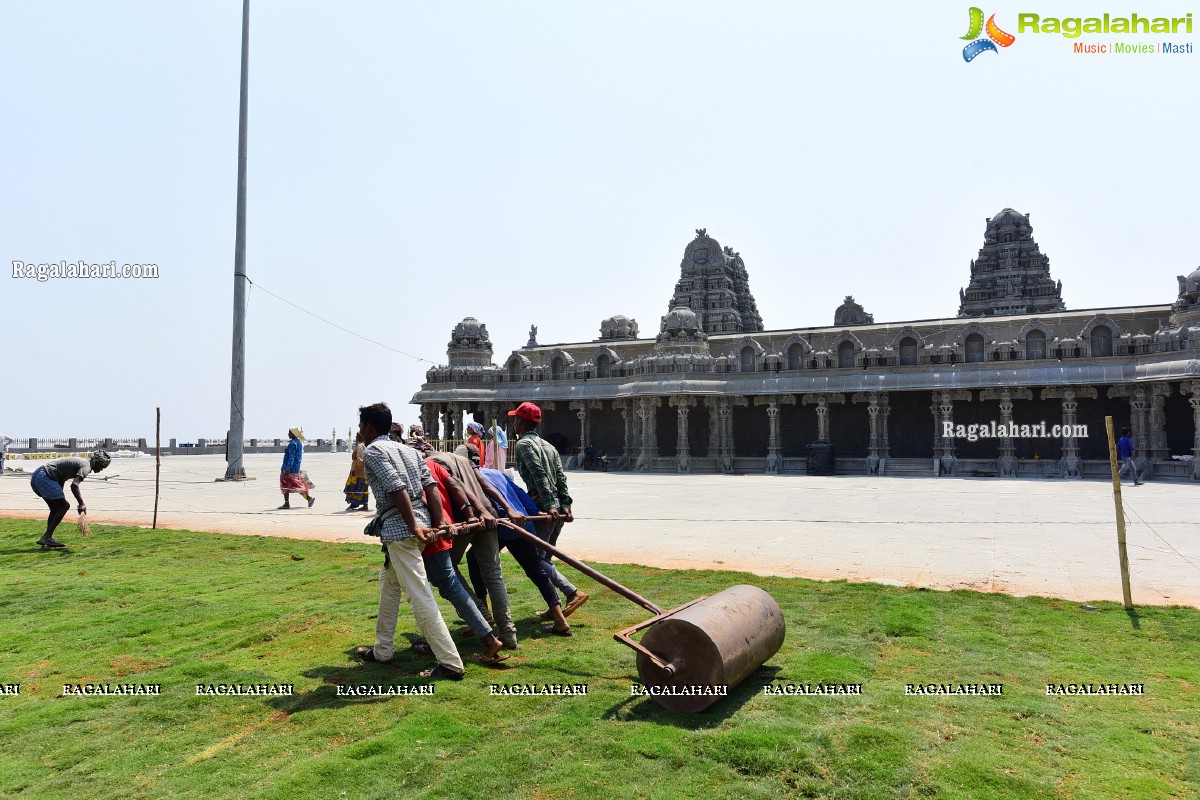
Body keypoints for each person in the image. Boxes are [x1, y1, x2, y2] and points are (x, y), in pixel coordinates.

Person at [355, 402, 464, 680]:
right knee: (389, 584)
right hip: (420, 524)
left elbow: (396, 488)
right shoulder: (408, 450)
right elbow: (430, 487)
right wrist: (438, 522)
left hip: (402, 529)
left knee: (419, 595)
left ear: (368, 427)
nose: (360, 432)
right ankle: (383, 650)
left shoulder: (374, 451)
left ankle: (451, 663)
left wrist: (413, 525)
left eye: (360, 426)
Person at [413, 457, 509, 664]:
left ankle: (477, 636)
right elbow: (456, 486)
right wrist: (473, 514)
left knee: (441, 589)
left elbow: (422, 498)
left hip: (434, 535)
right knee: (486, 577)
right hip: (453, 526)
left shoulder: (421, 465)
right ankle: (504, 634)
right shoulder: (438, 464)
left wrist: (448, 521)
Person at [426, 447, 520, 650]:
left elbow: (458, 487)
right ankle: (509, 634)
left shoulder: (432, 462)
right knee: (494, 575)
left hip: (466, 520)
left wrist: (477, 511)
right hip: (488, 515)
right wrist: (506, 508)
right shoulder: (464, 460)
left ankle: (480, 613)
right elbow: (486, 485)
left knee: (444, 570)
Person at [508, 402, 588, 617]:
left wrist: (550, 506)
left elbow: (538, 474)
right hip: (557, 507)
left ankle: (572, 593)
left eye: (516, 419)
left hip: (544, 507)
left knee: (537, 559)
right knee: (546, 557)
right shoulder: (549, 446)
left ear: (521, 422)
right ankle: (556, 608)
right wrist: (565, 505)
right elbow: (561, 478)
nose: (514, 423)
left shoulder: (525, 445)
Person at [479, 464, 573, 636]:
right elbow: (519, 492)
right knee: (536, 570)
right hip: (522, 523)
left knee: (474, 560)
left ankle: (482, 615)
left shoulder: (471, 476)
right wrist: (534, 512)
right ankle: (560, 620)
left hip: (503, 526)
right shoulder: (495, 472)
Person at [29, 449, 110, 548]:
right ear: (97, 463)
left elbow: (61, 477)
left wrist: (60, 493)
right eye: (102, 466)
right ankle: (47, 536)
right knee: (64, 506)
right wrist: (81, 503)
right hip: (45, 477)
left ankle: (47, 538)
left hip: (38, 475)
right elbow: (74, 485)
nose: (102, 469)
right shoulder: (86, 467)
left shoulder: (82, 462)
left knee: (55, 509)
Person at [279, 427, 315, 509]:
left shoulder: (292, 444)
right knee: (292, 485)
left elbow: (291, 457)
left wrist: (287, 468)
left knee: (289, 485)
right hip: (296, 467)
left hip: (289, 468)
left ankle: (309, 498)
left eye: (290, 433)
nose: (288, 434)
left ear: (293, 434)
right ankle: (287, 503)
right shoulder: (299, 442)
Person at [344, 433, 369, 511]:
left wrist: (357, 470)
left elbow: (360, 459)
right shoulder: (365, 445)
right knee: (363, 487)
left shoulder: (360, 446)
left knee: (355, 487)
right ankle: (365, 505)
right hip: (364, 471)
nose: (356, 437)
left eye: (357, 436)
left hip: (357, 471)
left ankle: (353, 504)